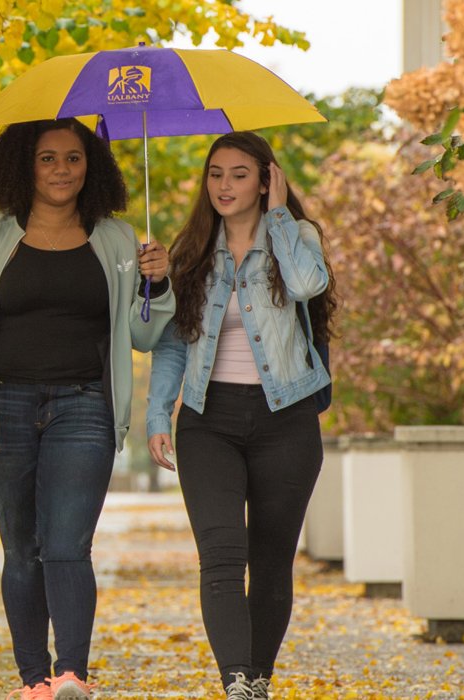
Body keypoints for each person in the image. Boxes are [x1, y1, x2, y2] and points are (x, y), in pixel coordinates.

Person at [0, 118, 174, 700]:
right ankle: (33, 681)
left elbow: (145, 337)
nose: (62, 169)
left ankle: (72, 675)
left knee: (67, 545)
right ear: (25, 165)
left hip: (86, 406)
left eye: (73, 157)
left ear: (92, 165)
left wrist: (159, 285)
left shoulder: (119, 241)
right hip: (4, 405)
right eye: (48, 158)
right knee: (22, 549)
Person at [145, 132, 335, 700]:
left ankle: (260, 680)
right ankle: (237, 685)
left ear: (266, 178)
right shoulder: (191, 251)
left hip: (287, 420)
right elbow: (172, 343)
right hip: (209, 419)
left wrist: (278, 217)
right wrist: (159, 412)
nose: (224, 185)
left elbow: (307, 284)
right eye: (215, 174)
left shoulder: (296, 237)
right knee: (222, 556)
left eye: (239, 174)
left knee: (271, 561)